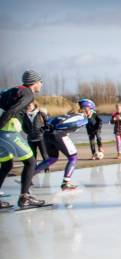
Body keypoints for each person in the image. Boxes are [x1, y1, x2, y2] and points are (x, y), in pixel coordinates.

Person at [0, 70, 46, 209]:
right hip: (8, 131)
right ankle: (24, 197)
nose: (41, 85)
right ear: (34, 83)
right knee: (31, 162)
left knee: (6, 166)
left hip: (3, 134)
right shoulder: (28, 93)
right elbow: (12, 111)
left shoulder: (14, 90)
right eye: (40, 82)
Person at [34, 112, 86, 190]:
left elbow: (51, 122)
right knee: (73, 157)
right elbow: (76, 124)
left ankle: (28, 176)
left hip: (46, 135)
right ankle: (66, 183)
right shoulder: (82, 118)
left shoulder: (64, 116)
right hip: (58, 135)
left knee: (52, 158)